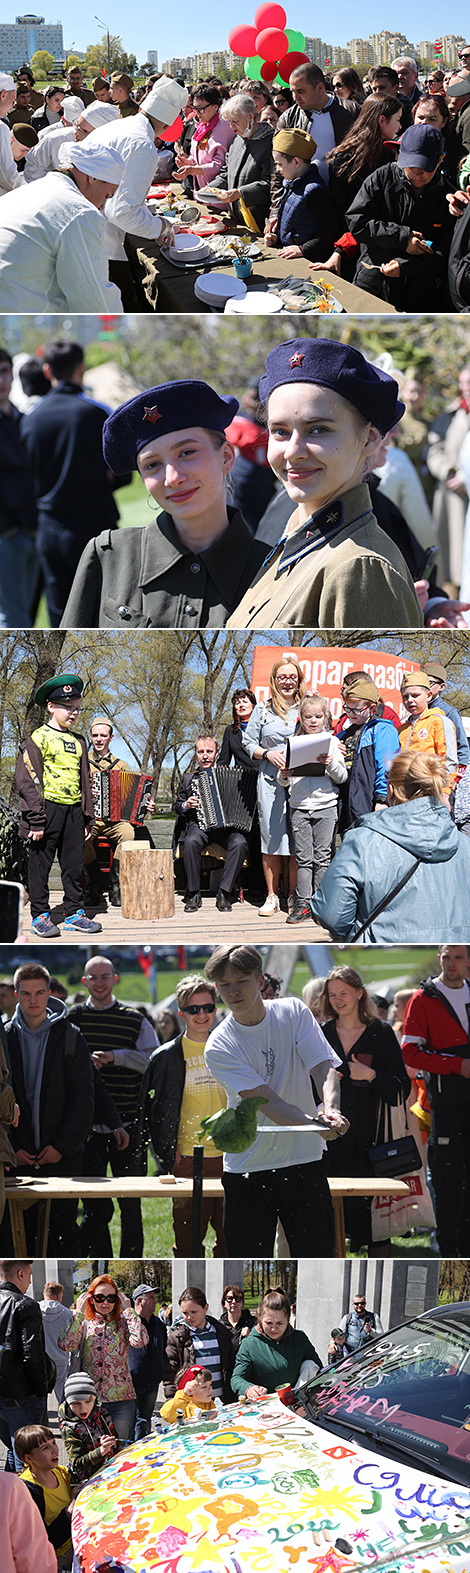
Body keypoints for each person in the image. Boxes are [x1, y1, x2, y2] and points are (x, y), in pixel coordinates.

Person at [229, 338, 422, 630]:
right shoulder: (294, 540)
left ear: (370, 438)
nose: (293, 451)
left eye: (318, 430)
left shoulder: (359, 569)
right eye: (279, 432)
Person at [61, 380, 267, 629]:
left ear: (225, 457)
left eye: (187, 453)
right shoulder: (109, 556)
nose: (172, 478)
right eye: (152, 465)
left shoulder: (272, 571)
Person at [204, 943, 347, 1257]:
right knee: (246, 1262)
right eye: (224, 985)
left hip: (305, 1163)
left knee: (318, 1259)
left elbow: (323, 1066)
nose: (233, 991)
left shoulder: (294, 1011)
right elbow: (268, 1103)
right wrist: (315, 1125)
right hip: (248, 1169)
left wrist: (331, 1109)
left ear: (259, 980)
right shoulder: (219, 1045)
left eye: (241, 981)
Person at [310, 751, 470, 942]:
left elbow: (332, 916)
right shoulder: (464, 843)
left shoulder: (362, 841)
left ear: (391, 790)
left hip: (379, 941)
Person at [20, 339, 121, 627]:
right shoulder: (97, 412)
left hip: (50, 527)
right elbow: (121, 471)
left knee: (60, 614)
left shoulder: (31, 418)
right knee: (105, 609)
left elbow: (27, 474)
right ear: (81, 368)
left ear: (48, 370)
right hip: (95, 524)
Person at [68, 954, 158, 1258]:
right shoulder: (73, 1018)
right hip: (86, 1129)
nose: (99, 983)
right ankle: (99, 1260)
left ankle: (131, 1259)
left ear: (114, 979)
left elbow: (153, 1060)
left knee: (130, 1204)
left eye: (105, 976)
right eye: (93, 978)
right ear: (84, 982)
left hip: (129, 1123)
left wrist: (115, 1056)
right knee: (96, 1205)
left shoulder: (135, 1018)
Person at [133, 973, 226, 1255]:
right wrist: (166, 1151)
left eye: (208, 1007)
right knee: (187, 1242)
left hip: (231, 1158)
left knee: (230, 1239)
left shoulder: (230, 1049)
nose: (202, 1014)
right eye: (193, 1009)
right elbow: (152, 1110)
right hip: (187, 1157)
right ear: (180, 1013)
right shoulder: (165, 1056)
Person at [4, 963, 94, 1251]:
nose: (33, 1000)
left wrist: (62, 1146)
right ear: (16, 994)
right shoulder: (3, 1037)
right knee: (20, 1240)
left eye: (40, 992)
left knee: (64, 1234)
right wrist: (12, 1148)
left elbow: (84, 1098)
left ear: (49, 993)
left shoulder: (70, 1036)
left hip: (62, 1156)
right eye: (26, 993)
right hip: (17, 1157)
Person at [320, 967, 410, 1253]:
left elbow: (401, 1089)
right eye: (332, 994)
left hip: (373, 1142)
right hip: (330, 1142)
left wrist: (370, 1075)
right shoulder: (322, 1034)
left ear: (360, 993)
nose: (337, 1000)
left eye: (343, 993)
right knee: (330, 1225)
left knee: (375, 1231)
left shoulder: (381, 1033)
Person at [81, 77, 189, 305]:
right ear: (168, 125)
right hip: (100, 242)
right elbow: (122, 212)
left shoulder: (119, 125)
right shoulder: (143, 145)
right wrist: (163, 227)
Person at [15, 673, 101, 938]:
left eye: (76, 708)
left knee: (74, 866)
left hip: (74, 812)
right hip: (46, 810)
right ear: (51, 706)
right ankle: (40, 916)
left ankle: (75, 914)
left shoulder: (79, 742)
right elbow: (28, 780)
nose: (73, 713)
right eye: (67, 707)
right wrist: (36, 819)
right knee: (40, 866)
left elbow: (84, 782)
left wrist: (88, 818)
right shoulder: (37, 738)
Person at [0, 140, 125, 314]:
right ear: (93, 177)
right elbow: (93, 299)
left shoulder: (32, 190)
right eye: (107, 195)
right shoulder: (80, 213)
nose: (102, 206)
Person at [402, 946, 470, 1257]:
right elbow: (410, 1052)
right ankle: (449, 1249)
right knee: (448, 1181)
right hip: (445, 1106)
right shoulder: (423, 997)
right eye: (446, 956)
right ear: (438, 958)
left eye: (458, 956)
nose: (451, 963)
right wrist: (457, 1065)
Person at [346, 124, 454, 312]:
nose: (417, 173)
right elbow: (357, 222)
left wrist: (406, 267)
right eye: (411, 166)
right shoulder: (382, 177)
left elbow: (446, 253)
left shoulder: (447, 197)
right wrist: (402, 238)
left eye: (425, 167)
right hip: (372, 278)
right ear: (399, 156)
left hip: (419, 294)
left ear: (441, 160)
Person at [243, 655, 305, 915]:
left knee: (295, 839)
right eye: (283, 677)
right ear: (274, 680)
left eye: (292, 677)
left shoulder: (306, 706)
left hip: (301, 781)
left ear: (299, 679)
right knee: (271, 839)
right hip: (269, 780)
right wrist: (267, 754)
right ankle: (272, 896)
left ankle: (292, 896)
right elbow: (248, 743)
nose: (287, 682)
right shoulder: (262, 709)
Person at [267, 62, 357, 234]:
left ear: (320, 88)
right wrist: (275, 210)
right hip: (304, 205)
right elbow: (277, 167)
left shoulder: (351, 112)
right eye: (292, 91)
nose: (295, 97)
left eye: (300, 91)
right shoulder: (288, 119)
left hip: (345, 202)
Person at [280, 690, 347, 923]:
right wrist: (284, 774)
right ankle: (303, 903)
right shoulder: (293, 742)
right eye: (308, 717)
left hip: (325, 806)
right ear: (302, 717)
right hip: (299, 806)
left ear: (326, 718)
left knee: (323, 857)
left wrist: (330, 764)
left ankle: (321, 903)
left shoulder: (333, 742)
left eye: (318, 717)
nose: (313, 721)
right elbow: (283, 780)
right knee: (303, 858)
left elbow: (341, 777)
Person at [58, 1275, 146, 1440]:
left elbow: (140, 1341)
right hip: (89, 1400)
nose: (105, 1303)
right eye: (100, 1297)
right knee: (94, 1448)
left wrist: (129, 1311)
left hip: (122, 1398)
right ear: (91, 1299)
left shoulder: (123, 1323)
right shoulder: (83, 1322)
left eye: (111, 1298)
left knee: (121, 1446)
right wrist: (78, 1313)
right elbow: (66, 1344)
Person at [173, 734, 251, 914]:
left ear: (216, 753)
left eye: (209, 751)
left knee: (240, 843)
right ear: (196, 754)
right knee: (190, 842)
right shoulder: (188, 778)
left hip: (226, 828)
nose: (205, 755)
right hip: (199, 826)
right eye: (201, 752)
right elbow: (176, 806)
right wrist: (186, 805)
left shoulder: (230, 775)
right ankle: (193, 893)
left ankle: (224, 892)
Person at [83, 716, 153, 907]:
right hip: (93, 818)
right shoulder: (83, 762)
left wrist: (145, 804)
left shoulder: (121, 765)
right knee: (81, 837)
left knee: (128, 833)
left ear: (110, 738)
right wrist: (87, 792)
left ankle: (115, 885)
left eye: (103, 735)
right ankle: (95, 885)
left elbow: (133, 794)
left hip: (116, 820)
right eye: (95, 735)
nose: (98, 739)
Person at [0, 1261, 55, 1474]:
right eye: (30, 1275)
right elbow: (33, 1353)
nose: (31, 1281)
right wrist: (41, 1390)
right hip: (22, 1395)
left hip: (8, 1393)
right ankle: (28, 1503)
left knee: (15, 1450)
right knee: (30, 1459)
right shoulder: (25, 1305)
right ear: (21, 1273)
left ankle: (10, 1497)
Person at [0, 346, 39, 628]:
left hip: (34, 529)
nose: (0, 380)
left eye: (3, 372)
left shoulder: (23, 420)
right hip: (6, 535)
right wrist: (7, 529)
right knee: (11, 620)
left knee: (26, 613)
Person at [325, 95, 402, 235]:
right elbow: (341, 206)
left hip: (385, 234)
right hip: (353, 237)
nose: (400, 126)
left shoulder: (393, 153)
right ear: (382, 120)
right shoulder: (342, 158)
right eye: (397, 119)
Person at [335, 674, 401, 832]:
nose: (351, 714)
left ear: (372, 708)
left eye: (356, 710)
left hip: (370, 804)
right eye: (347, 708)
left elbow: (388, 766)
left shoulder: (382, 729)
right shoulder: (345, 733)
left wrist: (383, 799)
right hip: (346, 806)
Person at [231, 1289, 321, 1401]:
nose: (274, 1328)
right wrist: (248, 1388)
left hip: (298, 1404)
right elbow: (237, 1378)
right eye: (268, 1323)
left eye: (280, 1323)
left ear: (288, 1319)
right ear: (260, 1318)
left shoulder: (299, 1339)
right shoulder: (249, 1344)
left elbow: (319, 1368)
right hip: (264, 1407)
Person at [202, 91, 273, 231]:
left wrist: (241, 193)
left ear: (251, 117)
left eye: (235, 121)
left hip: (258, 221)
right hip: (236, 217)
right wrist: (210, 189)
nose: (231, 126)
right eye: (229, 122)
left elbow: (270, 184)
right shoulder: (237, 139)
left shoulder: (270, 143)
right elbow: (226, 172)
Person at [269, 128, 340, 262]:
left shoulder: (314, 191)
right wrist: (276, 235)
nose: (277, 170)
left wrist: (303, 248)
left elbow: (331, 228)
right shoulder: (291, 182)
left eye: (279, 164)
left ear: (296, 162)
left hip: (310, 259)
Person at [163, 1285, 234, 1403]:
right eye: (185, 1313)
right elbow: (170, 1375)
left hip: (222, 1401)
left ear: (205, 1307)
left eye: (194, 1312)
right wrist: (173, 1403)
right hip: (194, 1406)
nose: (189, 1317)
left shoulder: (223, 1333)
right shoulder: (177, 1338)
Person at [15, 1426, 72, 1570]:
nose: (55, 1449)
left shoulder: (59, 1471)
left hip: (74, 1541)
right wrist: (67, 1513)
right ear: (28, 1458)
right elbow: (41, 1541)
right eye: (45, 1448)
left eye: (53, 1442)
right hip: (56, 1558)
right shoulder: (26, 1491)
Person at [225, 383, 276, 533]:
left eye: (255, 398)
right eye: (249, 397)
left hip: (263, 486)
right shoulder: (237, 421)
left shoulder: (276, 426)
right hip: (238, 487)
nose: (248, 401)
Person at [398, 670, 458, 790]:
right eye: (405, 696)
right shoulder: (401, 729)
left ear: (429, 696)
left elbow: (448, 760)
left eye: (415, 695)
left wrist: (445, 791)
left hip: (430, 788)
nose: (409, 700)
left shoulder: (439, 721)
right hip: (404, 790)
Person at [58, 1372, 119, 1483]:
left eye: (88, 1401)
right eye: (76, 1403)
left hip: (110, 1470)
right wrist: (101, 1451)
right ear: (68, 1402)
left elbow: (116, 1439)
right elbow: (77, 1462)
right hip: (88, 1480)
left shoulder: (102, 1414)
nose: (83, 1409)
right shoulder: (69, 1428)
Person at [175, 84, 234, 193]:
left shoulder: (225, 127)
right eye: (195, 108)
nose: (197, 113)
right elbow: (198, 157)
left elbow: (221, 166)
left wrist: (192, 170)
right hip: (202, 191)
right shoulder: (203, 124)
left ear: (215, 106)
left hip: (219, 194)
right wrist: (187, 162)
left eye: (201, 109)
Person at [128, 1285, 167, 1439]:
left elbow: (163, 1349)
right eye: (150, 1297)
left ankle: (141, 1449)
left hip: (153, 1381)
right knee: (129, 1420)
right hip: (132, 1381)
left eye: (154, 1297)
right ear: (139, 1301)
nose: (155, 1300)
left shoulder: (159, 1324)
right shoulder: (128, 1323)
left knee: (145, 1420)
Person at [0, 1470, 57, 1573]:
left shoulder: (62, 1473)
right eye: (45, 1451)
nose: (55, 1452)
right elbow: (37, 1564)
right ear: (28, 1458)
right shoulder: (8, 1486)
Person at [39, 1283, 73, 1409]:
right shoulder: (68, 1313)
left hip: (41, 1359)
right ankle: (64, 1417)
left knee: (40, 1393)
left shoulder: (35, 1310)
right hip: (61, 1358)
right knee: (62, 1393)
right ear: (59, 1295)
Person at [219, 1285, 256, 1351]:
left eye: (238, 1299)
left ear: (242, 1303)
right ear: (224, 1302)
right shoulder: (219, 1326)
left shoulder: (253, 1323)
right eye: (230, 1298)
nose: (234, 1302)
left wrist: (250, 1337)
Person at [390, 55, 422, 129]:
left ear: (416, 76)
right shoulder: (385, 100)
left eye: (404, 73)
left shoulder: (423, 101)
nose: (399, 77)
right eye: (396, 73)